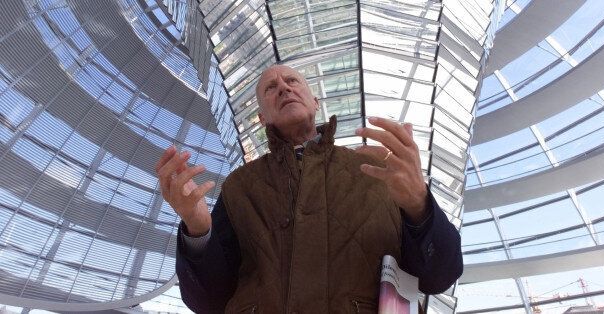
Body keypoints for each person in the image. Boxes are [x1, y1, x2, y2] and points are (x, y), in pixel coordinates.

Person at [155, 65, 463, 313]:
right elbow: (208, 301)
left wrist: (419, 206)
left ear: (315, 102)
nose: (284, 88)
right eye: (271, 88)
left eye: (291, 81)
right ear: (262, 118)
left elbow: (438, 276)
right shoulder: (240, 186)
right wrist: (197, 229)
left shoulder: (375, 170)